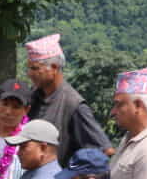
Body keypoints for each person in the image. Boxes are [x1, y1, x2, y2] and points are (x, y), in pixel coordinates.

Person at [24, 33, 111, 166]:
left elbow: (104, 150)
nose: (29, 74)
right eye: (29, 68)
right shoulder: (33, 96)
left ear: (53, 68)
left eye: (35, 68)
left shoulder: (73, 105)